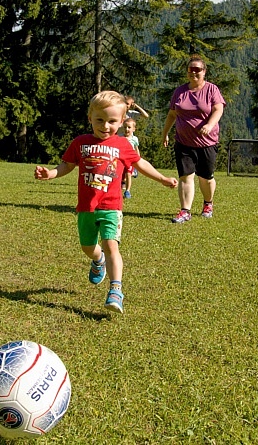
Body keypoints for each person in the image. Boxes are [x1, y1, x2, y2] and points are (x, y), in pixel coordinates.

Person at [34, 91, 178, 313]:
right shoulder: (80, 143)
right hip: (86, 208)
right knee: (87, 247)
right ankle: (97, 259)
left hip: (111, 206)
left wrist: (162, 179)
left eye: (112, 121)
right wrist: (51, 174)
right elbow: (67, 165)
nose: (105, 126)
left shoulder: (122, 145)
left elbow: (140, 164)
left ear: (121, 122)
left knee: (111, 245)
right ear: (90, 117)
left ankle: (115, 290)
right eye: (99, 120)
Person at [162, 54, 225, 223]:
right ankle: (185, 211)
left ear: (204, 72)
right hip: (183, 142)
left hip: (207, 143)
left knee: (205, 177)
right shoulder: (180, 91)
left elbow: (218, 109)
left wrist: (210, 125)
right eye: (191, 70)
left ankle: (208, 203)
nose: (194, 73)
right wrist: (165, 133)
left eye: (197, 70)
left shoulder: (212, 89)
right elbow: (172, 114)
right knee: (186, 176)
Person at [121, 117, 140, 199]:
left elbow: (136, 149)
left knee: (128, 174)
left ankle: (127, 191)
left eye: (129, 127)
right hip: (121, 160)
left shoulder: (134, 139)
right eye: (125, 127)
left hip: (130, 160)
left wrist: (138, 160)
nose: (126, 129)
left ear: (134, 129)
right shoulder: (120, 138)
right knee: (121, 175)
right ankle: (120, 186)